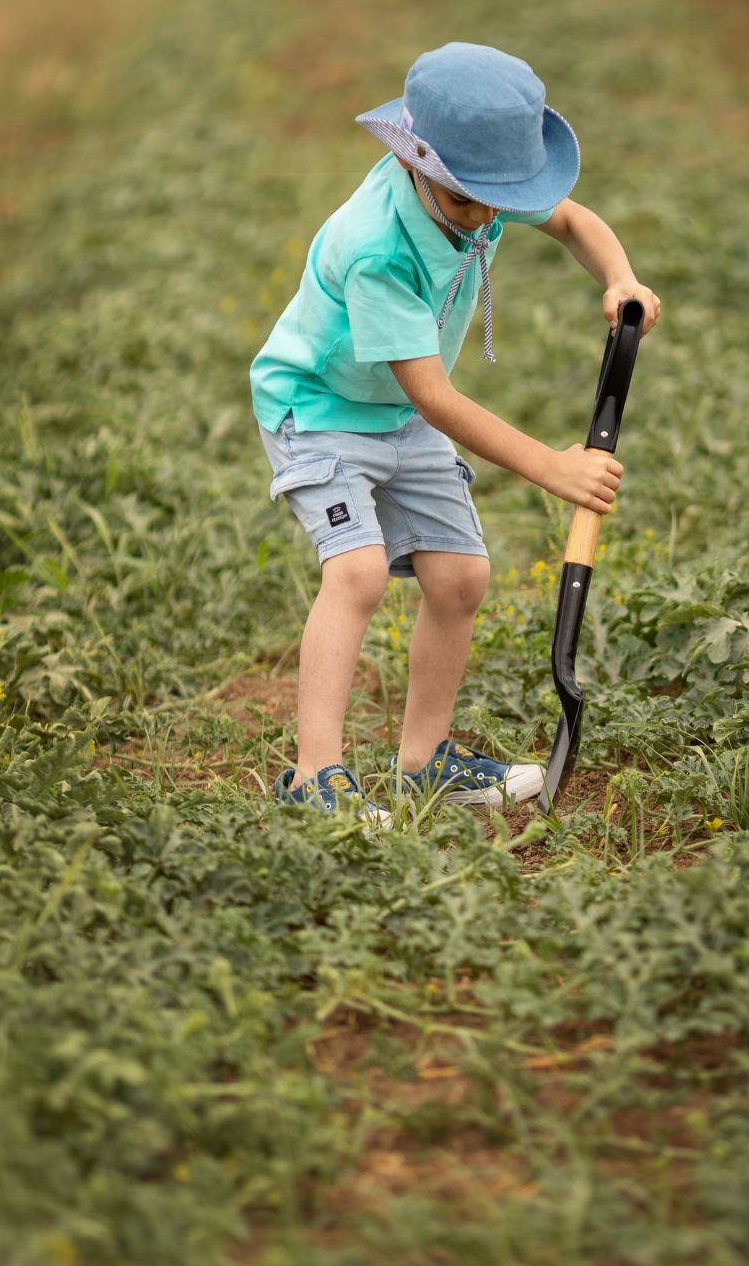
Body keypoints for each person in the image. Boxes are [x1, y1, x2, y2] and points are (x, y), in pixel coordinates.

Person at [250, 40, 661, 822]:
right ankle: (313, 777)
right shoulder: (375, 247)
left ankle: (422, 762)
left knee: (461, 579)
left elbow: (573, 219)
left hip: (395, 411)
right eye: (471, 201)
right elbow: (436, 397)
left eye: (499, 199)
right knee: (359, 573)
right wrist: (551, 467)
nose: (489, 218)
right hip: (320, 410)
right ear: (417, 164)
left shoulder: (478, 188)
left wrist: (619, 277)